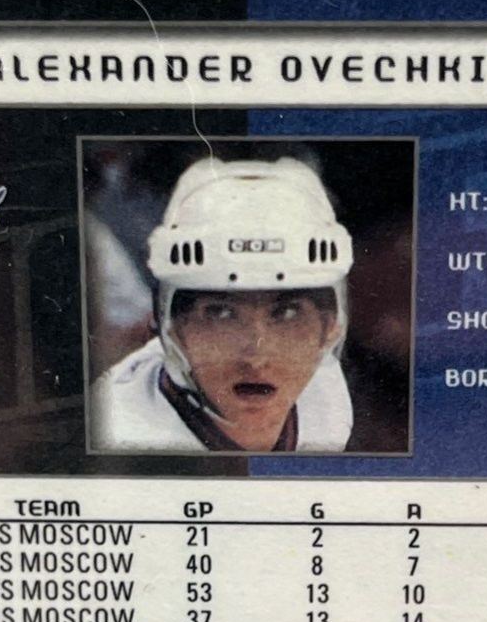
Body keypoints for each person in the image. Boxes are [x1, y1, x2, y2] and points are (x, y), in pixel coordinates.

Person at [91, 157, 355, 454]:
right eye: (221, 314)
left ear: (330, 327)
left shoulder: (325, 396)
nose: (256, 358)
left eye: (287, 314)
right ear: (172, 326)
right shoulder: (118, 435)